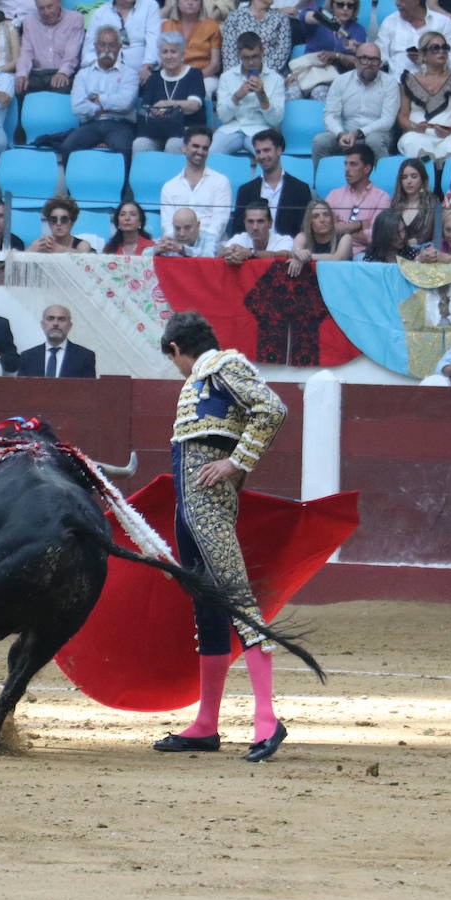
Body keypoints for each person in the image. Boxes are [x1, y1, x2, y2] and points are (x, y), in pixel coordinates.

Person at [152, 310, 290, 761]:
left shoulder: (224, 365)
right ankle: (206, 724)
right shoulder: (203, 378)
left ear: (176, 349)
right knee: (208, 608)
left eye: (171, 358)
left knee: (236, 598)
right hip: (189, 508)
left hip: (207, 506)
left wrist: (237, 463)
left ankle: (267, 719)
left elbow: (273, 407)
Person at [311, 42, 398, 162]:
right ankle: (318, 180)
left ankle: (383, 180)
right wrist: (340, 134)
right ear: (355, 61)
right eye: (364, 59)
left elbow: (388, 120)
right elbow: (330, 115)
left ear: (380, 64)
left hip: (377, 133)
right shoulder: (340, 81)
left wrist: (359, 133)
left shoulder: (390, 83)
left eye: (374, 60)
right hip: (345, 133)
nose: (369, 64)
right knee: (320, 141)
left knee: (374, 141)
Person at [63, 27, 139, 162]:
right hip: (91, 124)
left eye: (112, 45)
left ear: (120, 47)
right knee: (68, 147)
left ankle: (123, 184)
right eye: (102, 45)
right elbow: (77, 107)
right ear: (95, 46)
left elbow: (125, 103)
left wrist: (97, 99)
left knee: (123, 149)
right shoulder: (83, 74)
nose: (107, 50)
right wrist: (102, 107)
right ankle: (73, 183)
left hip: (120, 125)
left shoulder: (130, 74)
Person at [395, 30, 451, 166]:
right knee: (411, 141)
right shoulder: (409, 80)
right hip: (418, 135)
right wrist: (415, 127)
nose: (442, 51)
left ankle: (445, 178)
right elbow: (402, 116)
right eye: (435, 48)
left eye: (445, 48)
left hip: (449, 135)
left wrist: (450, 130)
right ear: (423, 53)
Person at [211, 31, 285, 154]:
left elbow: (276, 120)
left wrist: (262, 95)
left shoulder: (276, 79)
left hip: (261, 129)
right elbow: (223, 117)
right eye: (246, 58)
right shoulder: (226, 77)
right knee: (213, 153)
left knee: (268, 156)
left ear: (263, 51)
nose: (251, 62)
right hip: (231, 128)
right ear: (239, 54)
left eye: (255, 56)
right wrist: (237, 97)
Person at [229, 128, 311, 238]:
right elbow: (238, 231)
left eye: (266, 150)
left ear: (279, 150)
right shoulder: (245, 190)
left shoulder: (300, 189)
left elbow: (304, 231)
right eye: (258, 152)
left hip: (288, 251)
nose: (262, 156)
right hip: (252, 251)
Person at [133, 33, 207, 153]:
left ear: (182, 54)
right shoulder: (153, 79)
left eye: (173, 51)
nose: (169, 56)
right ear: (159, 55)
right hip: (157, 130)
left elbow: (194, 105)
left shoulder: (194, 74)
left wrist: (167, 104)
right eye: (165, 52)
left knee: (174, 144)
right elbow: (146, 109)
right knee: (140, 144)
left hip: (185, 129)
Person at [161, 126, 233, 242]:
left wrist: (202, 247)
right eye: (195, 146)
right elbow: (168, 226)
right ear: (184, 148)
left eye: (205, 148)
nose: (200, 151)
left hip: (211, 248)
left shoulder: (221, 181)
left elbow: (220, 222)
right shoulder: (169, 187)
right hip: (178, 246)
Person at [288, 0, 367, 101]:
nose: (345, 8)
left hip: (334, 79)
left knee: (320, 92)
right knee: (292, 93)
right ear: (332, 5)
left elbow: (357, 62)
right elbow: (303, 15)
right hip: (309, 73)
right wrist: (326, 21)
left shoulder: (358, 31)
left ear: (355, 8)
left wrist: (338, 56)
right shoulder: (318, 23)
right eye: (340, 4)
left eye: (350, 5)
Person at [324, 143, 391, 258]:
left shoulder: (382, 197)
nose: (347, 169)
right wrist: (357, 225)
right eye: (346, 164)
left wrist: (339, 227)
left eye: (353, 164)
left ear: (367, 169)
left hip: (363, 255)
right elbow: (323, 229)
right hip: (331, 250)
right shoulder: (334, 194)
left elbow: (375, 236)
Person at [376, 0, 451, 80]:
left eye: (402, 0)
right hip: (397, 86)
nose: (397, 3)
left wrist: (426, 60)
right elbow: (380, 57)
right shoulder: (389, 22)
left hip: (434, 86)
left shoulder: (443, 23)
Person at [15, 0, 82, 95]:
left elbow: (72, 53)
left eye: (50, 6)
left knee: (62, 87)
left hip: (62, 71)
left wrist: (63, 73)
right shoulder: (29, 21)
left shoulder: (75, 18)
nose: (46, 12)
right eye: (41, 8)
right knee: (21, 86)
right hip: (37, 74)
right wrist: (22, 74)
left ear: (59, 3)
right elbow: (26, 52)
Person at [82, 0, 161, 79]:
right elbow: (89, 52)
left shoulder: (150, 6)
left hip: (143, 74)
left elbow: (154, 41)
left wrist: (147, 66)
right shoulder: (100, 13)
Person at [15, 304, 97, 377]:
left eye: (61, 319)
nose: (55, 323)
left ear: (70, 326)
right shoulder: (27, 357)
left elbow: (89, 391)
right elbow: (22, 391)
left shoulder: (85, 357)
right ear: (42, 325)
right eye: (50, 319)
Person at [162, 0, 222, 95]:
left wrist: (192, 78)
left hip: (204, 75)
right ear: (177, 3)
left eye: (195, 0)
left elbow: (215, 65)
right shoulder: (167, 26)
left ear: (201, 4)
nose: (190, 3)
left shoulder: (212, 26)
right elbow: (162, 58)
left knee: (203, 88)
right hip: (172, 74)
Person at [287, 198, 353, 273]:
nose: (322, 220)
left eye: (326, 215)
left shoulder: (345, 237)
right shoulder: (303, 236)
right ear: (309, 222)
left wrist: (307, 257)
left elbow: (337, 259)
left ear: (332, 218)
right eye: (315, 216)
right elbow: (296, 250)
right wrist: (298, 255)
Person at [221, 199, 293, 261]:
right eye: (250, 222)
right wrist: (230, 253)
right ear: (244, 223)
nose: (255, 227)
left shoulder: (284, 240)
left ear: (270, 223)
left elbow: (283, 255)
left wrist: (251, 253)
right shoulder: (239, 238)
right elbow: (220, 254)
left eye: (260, 221)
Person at [390, 156, 437, 246]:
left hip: (423, 251)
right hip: (395, 251)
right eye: (404, 177)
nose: (409, 181)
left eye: (414, 176)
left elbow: (427, 236)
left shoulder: (432, 202)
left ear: (422, 179)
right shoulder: (395, 203)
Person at [29, 195, 95, 253]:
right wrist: (31, 250)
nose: (58, 223)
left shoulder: (82, 245)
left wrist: (58, 249)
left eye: (64, 220)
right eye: (54, 220)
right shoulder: (40, 244)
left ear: (72, 222)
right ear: (49, 222)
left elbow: (82, 259)